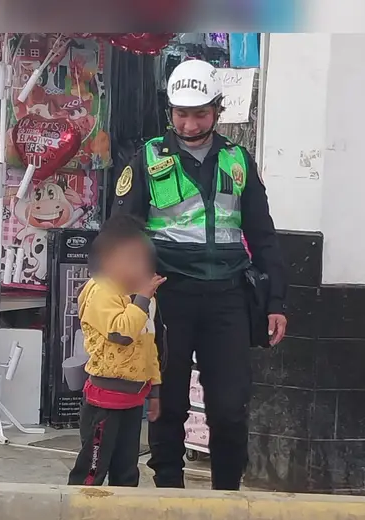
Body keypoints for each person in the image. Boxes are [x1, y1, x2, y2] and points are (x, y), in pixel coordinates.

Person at [111, 59, 287, 491]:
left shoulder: (238, 160)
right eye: (181, 113)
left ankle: (227, 494)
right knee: (167, 404)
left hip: (228, 297)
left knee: (229, 406)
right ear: (169, 111)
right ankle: (170, 490)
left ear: (217, 110)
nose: (190, 123)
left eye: (200, 113)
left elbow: (263, 236)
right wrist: (128, 294)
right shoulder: (147, 158)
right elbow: (121, 232)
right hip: (168, 296)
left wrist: (277, 302)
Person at [67, 214, 167, 487]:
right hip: (104, 401)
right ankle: (82, 517)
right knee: (93, 468)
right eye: (132, 259)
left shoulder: (141, 296)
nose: (141, 267)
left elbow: (150, 345)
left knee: (126, 470)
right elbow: (121, 333)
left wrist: (155, 391)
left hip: (134, 400)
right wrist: (143, 298)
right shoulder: (101, 291)